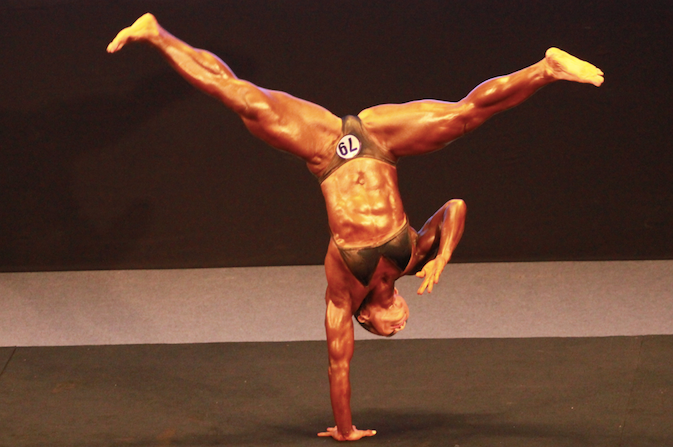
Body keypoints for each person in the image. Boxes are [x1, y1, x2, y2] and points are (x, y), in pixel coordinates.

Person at [108, 13, 604, 441]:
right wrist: (444, 255)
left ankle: (155, 34)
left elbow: (338, 365)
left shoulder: (342, 295)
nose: (401, 326)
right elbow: (455, 207)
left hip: (326, 149)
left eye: (390, 332)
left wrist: (344, 429)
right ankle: (547, 69)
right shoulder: (413, 259)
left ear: (368, 321)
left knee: (243, 99)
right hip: (380, 142)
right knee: (461, 118)